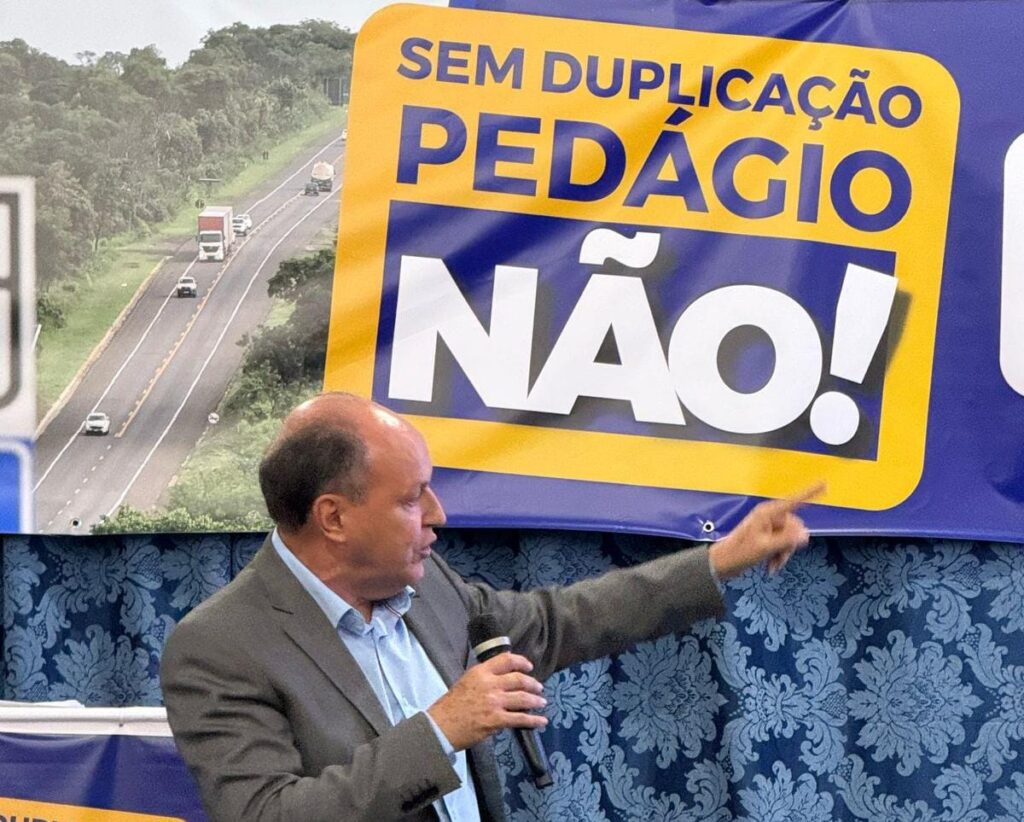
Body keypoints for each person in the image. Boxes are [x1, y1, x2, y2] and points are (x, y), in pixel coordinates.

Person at [160, 392, 819, 822]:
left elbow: (563, 620)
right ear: (333, 517)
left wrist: (720, 559)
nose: (438, 514)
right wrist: (441, 728)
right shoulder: (219, 647)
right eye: (412, 498)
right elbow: (268, 815)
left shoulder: (431, 587)